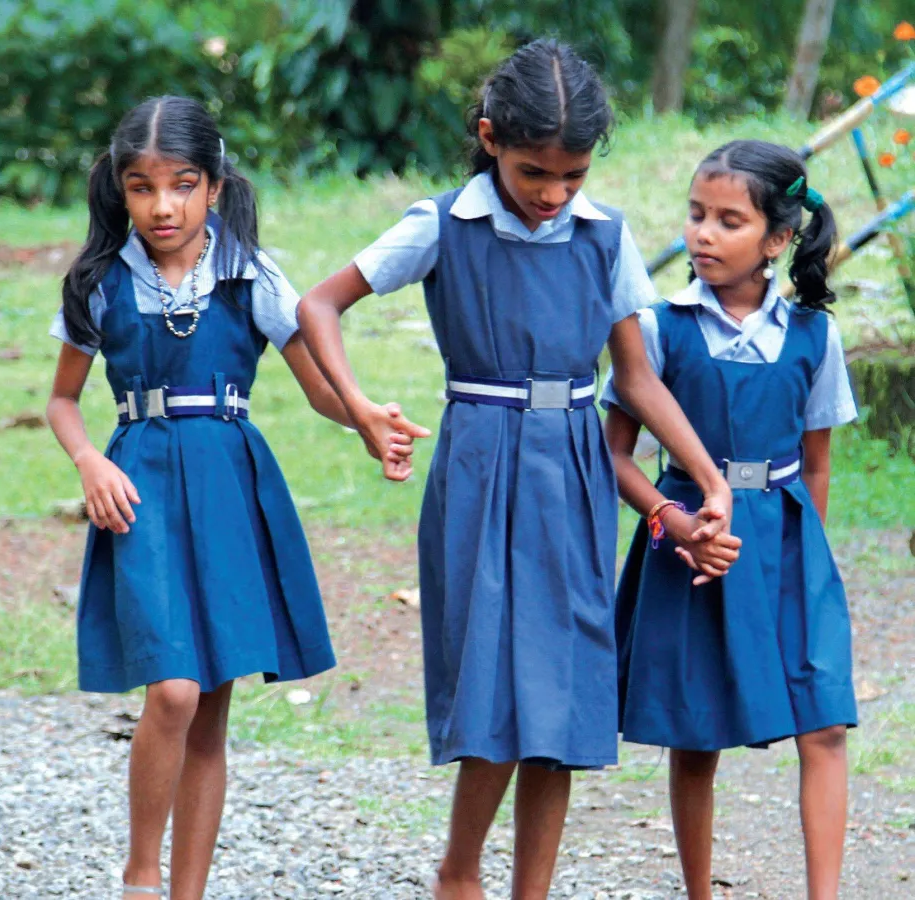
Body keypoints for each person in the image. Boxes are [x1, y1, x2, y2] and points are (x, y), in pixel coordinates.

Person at [297, 40, 736, 900]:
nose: (553, 194)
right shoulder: (441, 224)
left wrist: (708, 478)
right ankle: (458, 873)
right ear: (489, 137)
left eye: (572, 176)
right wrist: (360, 409)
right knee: (492, 687)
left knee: (562, 701)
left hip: (572, 466)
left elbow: (636, 378)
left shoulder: (604, 235)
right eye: (535, 172)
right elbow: (319, 304)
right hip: (479, 461)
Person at [46, 95, 420, 900]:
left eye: (182, 185)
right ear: (119, 189)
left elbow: (317, 387)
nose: (163, 206)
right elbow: (62, 400)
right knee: (172, 688)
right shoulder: (100, 282)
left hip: (229, 484)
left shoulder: (251, 273)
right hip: (139, 486)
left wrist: (363, 418)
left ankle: (188, 891)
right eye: (142, 187)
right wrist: (88, 461)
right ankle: (141, 876)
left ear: (213, 186)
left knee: (210, 704)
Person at [603, 139, 858, 900]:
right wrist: (671, 522)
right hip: (689, 544)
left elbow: (816, 463)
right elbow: (614, 456)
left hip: (787, 543)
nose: (703, 234)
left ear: (776, 240)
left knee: (824, 722)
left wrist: (807, 559)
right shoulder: (657, 329)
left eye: (727, 221)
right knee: (696, 733)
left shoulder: (814, 335)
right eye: (695, 215)